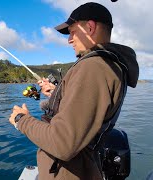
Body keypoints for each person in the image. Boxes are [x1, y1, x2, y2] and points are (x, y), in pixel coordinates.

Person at [9, 2, 139, 180]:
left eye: (72, 32)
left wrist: (21, 120)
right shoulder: (107, 66)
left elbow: (63, 143)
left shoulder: (94, 68)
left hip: (67, 172)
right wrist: (57, 93)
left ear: (90, 27)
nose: (69, 39)